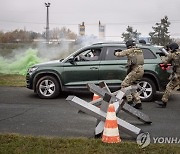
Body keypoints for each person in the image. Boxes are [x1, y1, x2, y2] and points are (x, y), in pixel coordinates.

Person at [114, 40, 144, 109]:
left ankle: (129, 100)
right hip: (141, 70)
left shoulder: (130, 50)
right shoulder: (139, 50)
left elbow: (119, 54)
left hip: (135, 70)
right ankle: (138, 102)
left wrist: (116, 52)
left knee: (124, 85)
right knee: (132, 85)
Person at [156, 43, 180, 108]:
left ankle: (164, 102)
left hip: (177, 75)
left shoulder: (172, 55)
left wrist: (163, 56)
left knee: (169, 87)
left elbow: (165, 62)